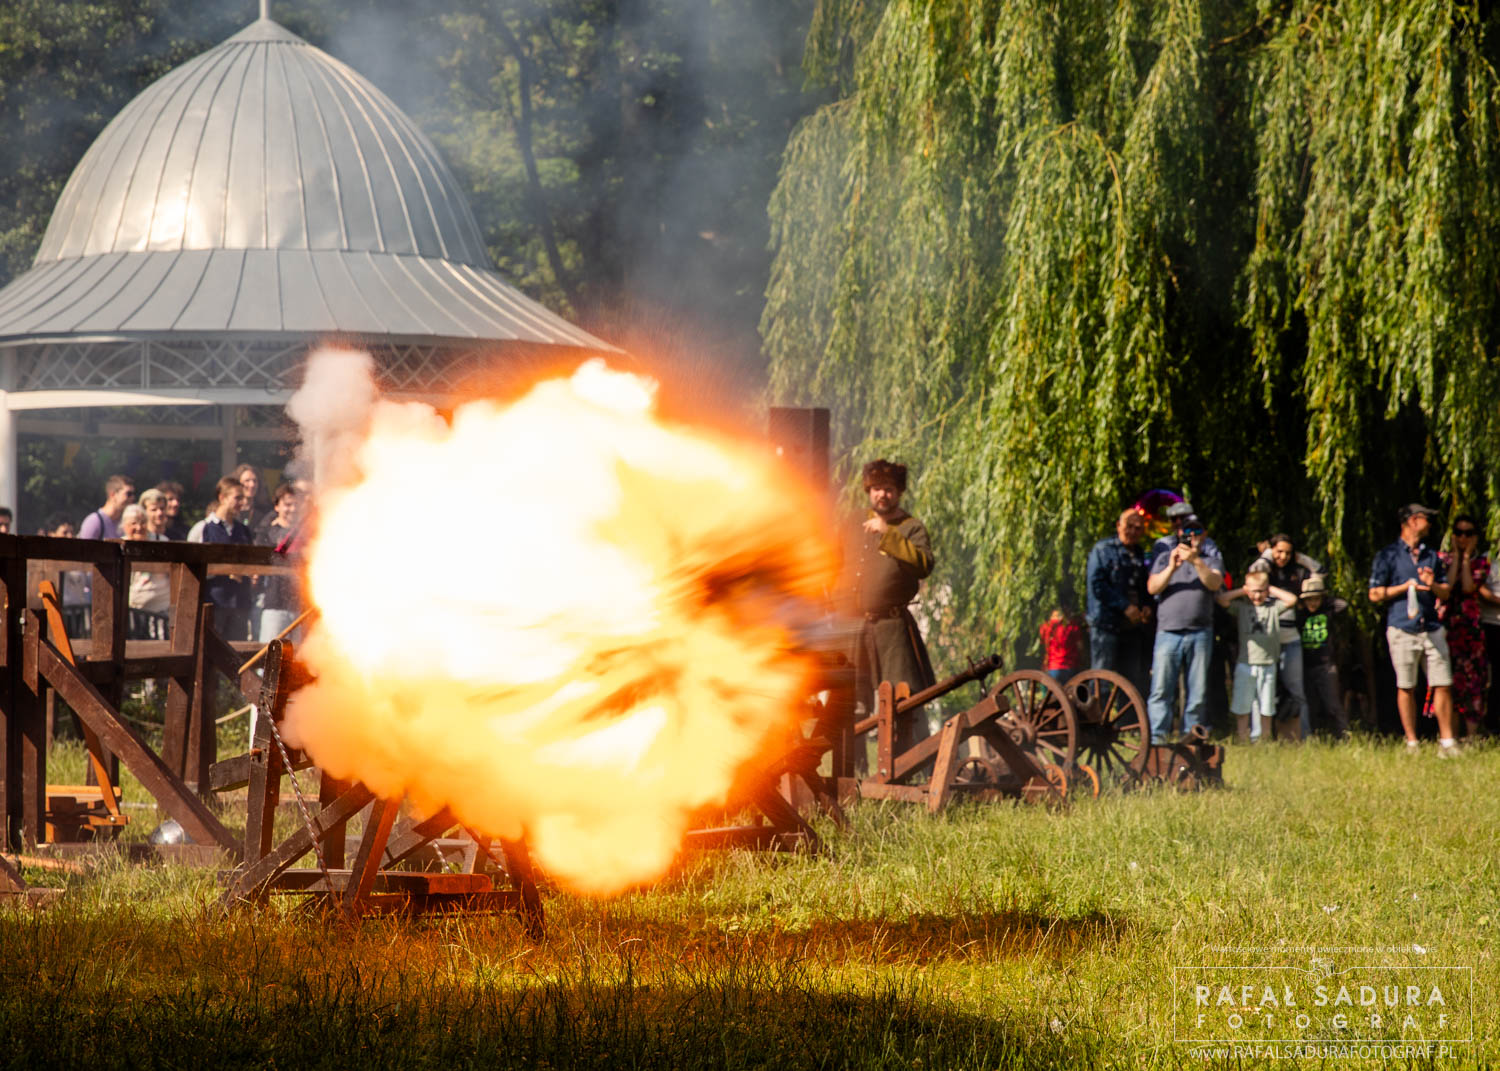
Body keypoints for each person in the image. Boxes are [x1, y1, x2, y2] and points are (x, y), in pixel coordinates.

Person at [836, 459, 936, 758]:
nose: (883, 495)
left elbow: (924, 565)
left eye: (889, 489)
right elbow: (832, 561)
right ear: (869, 490)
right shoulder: (852, 522)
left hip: (892, 630)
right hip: (853, 629)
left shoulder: (911, 527)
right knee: (851, 701)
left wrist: (887, 534)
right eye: (877, 489)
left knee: (903, 703)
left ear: (899, 492)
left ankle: (906, 768)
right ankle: (850, 775)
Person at [1368, 503, 1458, 755]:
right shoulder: (1388, 555)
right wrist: (1404, 587)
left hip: (1431, 626)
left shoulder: (1431, 555)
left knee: (1442, 683)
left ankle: (1447, 742)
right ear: (1413, 520)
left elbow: (1445, 592)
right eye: (1427, 519)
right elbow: (1374, 594)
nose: (1430, 524)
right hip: (1402, 627)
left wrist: (1431, 584)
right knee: (1406, 685)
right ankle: (1412, 742)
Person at [1145, 504, 1224, 742]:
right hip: (1168, 631)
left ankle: (1192, 739)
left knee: (1197, 692)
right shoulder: (1163, 556)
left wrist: (1196, 561)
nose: (1191, 536)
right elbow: (1152, 588)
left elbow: (1214, 584)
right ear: (1179, 534)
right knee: (1161, 689)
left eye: (1196, 532)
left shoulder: (1211, 558)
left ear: (1204, 535)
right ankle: (1157, 738)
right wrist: (1172, 566)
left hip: (1200, 631)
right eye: (1186, 532)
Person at [1246, 533, 1323, 738]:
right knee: (1261, 690)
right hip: (1267, 640)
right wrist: (1267, 555)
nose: (1283, 556)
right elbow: (1253, 572)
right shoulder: (1265, 570)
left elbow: (1321, 572)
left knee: (1296, 689)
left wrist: (1301, 558)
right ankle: (1261, 736)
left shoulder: (1296, 572)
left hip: (1290, 640)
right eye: (1279, 551)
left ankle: (1302, 735)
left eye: (1288, 552)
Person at [1425, 514, 1489, 738]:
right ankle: (1449, 736)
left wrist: (1466, 558)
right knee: (1446, 680)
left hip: (1470, 629)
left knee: (1472, 683)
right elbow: (1448, 586)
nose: (1463, 537)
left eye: (1468, 533)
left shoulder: (1481, 562)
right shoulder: (1441, 559)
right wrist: (1455, 556)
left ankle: (1471, 738)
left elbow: (1468, 588)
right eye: (1459, 533)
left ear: (1475, 537)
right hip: (1445, 625)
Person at [1216, 572, 1299, 742]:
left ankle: (1264, 739)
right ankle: (1242, 738)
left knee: (1266, 706)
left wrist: (1271, 589)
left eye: (1261, 591)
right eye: (1253, 591)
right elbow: (1221, 599)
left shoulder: (1273, 608)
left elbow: (1292, 600)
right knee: (1243, 705)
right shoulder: (1242, 608)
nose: (1257, 595)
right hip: (1245, 664)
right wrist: (1243, 590)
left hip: (1268, 664)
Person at [1085, 508, 1153, 697]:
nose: (1132, 531)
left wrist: (1147, 606)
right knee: (1102, 679)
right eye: (1128, 526)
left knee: (1131, 680)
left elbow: (1142, 586)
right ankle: (1094, 723)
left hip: (1132, 626)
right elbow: (1097, 585)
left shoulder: (1139, 553)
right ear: (1118, 526)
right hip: (1106, 625)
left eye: (1138, 528)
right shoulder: (1102, 549)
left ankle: (1128, 724)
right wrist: (1125, 607)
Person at [201, 476, 254, 641]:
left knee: (238, 652)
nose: (242, 502)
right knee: (212, 651)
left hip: (240, 601)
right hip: (216, 601)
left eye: (243, 498)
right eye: (237, 497)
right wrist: (226, 571)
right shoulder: (206, 528)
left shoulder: (243, 530)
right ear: (222, 497)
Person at [1298, 575, 1349, 738]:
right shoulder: (1300, 615)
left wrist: (1325, 598)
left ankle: (1344, 735)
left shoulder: (1328, 611)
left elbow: (1344, 604)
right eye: (1309, 599)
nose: (1312, 603)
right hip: (1306, 665)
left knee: (1333, 704)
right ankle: (1313, 736)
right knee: (1311, 705)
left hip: (1326, 665)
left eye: (1316, 599)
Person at [254, 483, 304, 642]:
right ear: (277, 506)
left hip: (299, 603)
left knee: (297, 658)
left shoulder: (306, 533)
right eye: (288, 505)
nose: (293, 509)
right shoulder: (267, 532)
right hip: (274, 602)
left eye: (296, 504)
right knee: (269, 654)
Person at [123, 503, 171, 640]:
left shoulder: (160, 542)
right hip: (131, 609)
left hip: (160, 608)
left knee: (159, 647)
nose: (139, 527)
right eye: (133, 523)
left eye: (143, 522)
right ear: (124, 526)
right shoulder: (118, 545)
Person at [78, 474, 135, 540]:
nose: (133, 498)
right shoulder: (94, 522)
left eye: (133, 494)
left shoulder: (125, 523)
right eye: (129, 494)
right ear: (113, 494)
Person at [1039, 606, 1087, 684]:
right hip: (1071, 666)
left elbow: (1043, 648)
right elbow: (1080, 647)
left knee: (1054, 694)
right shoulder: (1072, 626)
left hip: (1053, 667)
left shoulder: (1046, 627)